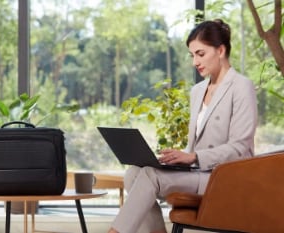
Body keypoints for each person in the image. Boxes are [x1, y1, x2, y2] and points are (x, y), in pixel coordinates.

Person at [107, 19, 258, 233]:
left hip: (224, 179)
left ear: (221, 50)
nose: (194, 62)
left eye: (200, 54)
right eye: (192, 55)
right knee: (133, 173)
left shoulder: (242, 87)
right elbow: (195, 145)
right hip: (197, 172)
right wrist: (177, 159)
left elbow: (240, 148)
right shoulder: (197, 91)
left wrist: (194, 157)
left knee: (150, 176)